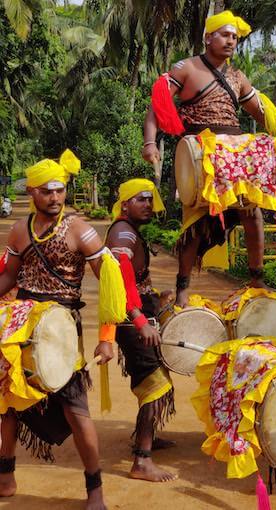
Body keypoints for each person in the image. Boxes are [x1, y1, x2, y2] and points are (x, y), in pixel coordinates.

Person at [142, 10, 276, 307]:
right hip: (202, 150)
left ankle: (256, 276)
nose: (231, 41)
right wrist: (150, 142)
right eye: (225, 35)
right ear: (208, 36)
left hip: (235, 151)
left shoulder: (237, 76)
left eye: (235, 37)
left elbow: (261, 112)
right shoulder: (186, 68)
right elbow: (156, 106)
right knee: (195, 226)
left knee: (253, 212)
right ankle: (183, 285)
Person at [0, 150, 126, 510]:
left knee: (75, 408)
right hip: (22, 322)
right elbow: (9, 275)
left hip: (62, 329)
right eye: (46, 191)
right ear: (32, 192)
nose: (55, 198)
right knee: (7, 402)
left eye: (59, 191)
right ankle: (5, 477)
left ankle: (95, 490)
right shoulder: (20, 230)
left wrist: (107, 338)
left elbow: (110, 280)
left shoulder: (79, 229)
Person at [104, 179, 177, 483]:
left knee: (152, 377)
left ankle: (146, 437)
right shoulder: (122, 233)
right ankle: (142, 460)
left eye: (150, 199)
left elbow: (135, 280)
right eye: (141, 200)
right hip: (130, 321)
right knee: (155, 382)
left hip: (137, 316)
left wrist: (155, 299)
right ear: (124, 205)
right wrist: (139, 319)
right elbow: (119, 283)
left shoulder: (128, 230)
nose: (148, 204)